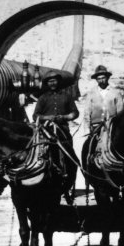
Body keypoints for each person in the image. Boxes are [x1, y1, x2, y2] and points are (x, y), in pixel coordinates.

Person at [32, 72, 79, 202]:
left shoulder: (67, 96)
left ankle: (68, 182)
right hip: (46, 131)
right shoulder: (43, 98)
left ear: (58, 82)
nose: (52, 83)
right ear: (47, 83)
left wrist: (64, 117)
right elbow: (35, 116)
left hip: (62, 131)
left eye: (54, 81)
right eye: (50, 81)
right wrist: (47, 118)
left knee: (70, 156)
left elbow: (75, 113)